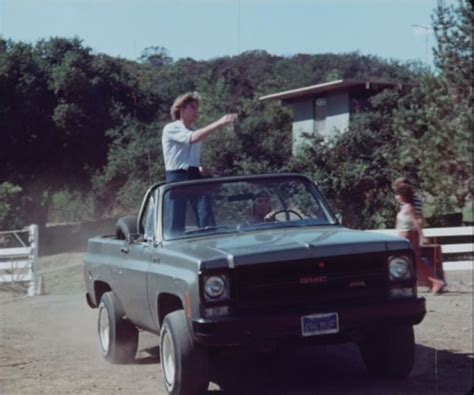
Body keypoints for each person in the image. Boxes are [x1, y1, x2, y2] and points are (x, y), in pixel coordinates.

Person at [162, 92, 238, 233]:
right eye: (192, 107)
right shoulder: (171, 128)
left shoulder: (195, 130)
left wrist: (202, 169)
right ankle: (174, 245)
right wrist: (220, 122)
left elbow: (189, 156)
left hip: (194, 175)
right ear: (181, 108)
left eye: (197, 108)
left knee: (205, 213)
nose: (196, 111)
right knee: (176, 219)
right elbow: (192, 139)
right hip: (177, 178)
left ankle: (211, 239)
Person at [394, 184, 445, 294]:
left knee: (413, 261)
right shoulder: (404, 207)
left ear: (403, 195)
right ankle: (433, 282)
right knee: (413, 261)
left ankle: (435, 282)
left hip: (408, 235)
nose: (396, 197)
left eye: (398, 194)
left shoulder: (408, 207)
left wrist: (422, 235)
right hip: (404, 235)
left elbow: (415, 221)